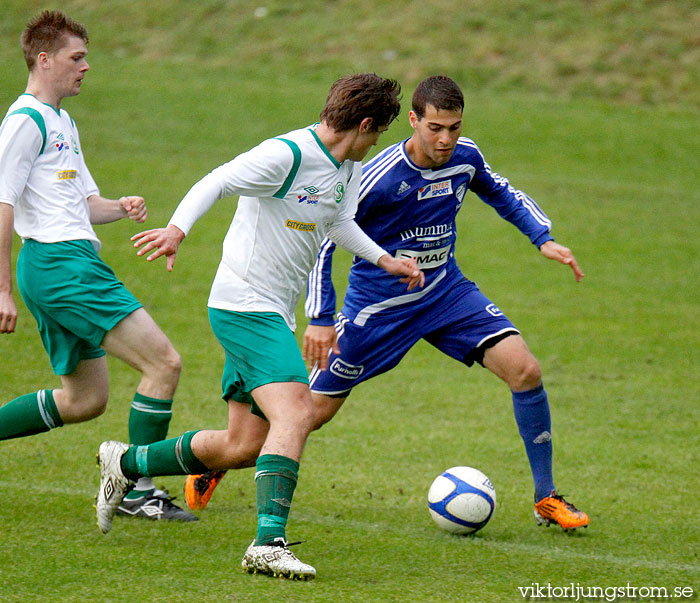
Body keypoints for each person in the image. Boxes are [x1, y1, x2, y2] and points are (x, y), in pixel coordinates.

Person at [187, 75, 590, 532]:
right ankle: (222, 456)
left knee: (526, 370)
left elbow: (501, 192)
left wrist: (543, 238)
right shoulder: (377, 176)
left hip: (445, 293)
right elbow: (324, 240)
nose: (445, 139)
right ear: (413, 121)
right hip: (377, 309)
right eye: (435, 128)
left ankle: (546, 497)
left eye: (454, 128)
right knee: (305, 415)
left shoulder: (465, 157)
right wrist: (320, 316)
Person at [95, 73, 424, 580]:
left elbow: (337, 221)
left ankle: (125, 463)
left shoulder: (346, 166)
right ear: (363, 125)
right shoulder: (287, 155)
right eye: (378, 133)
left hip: (272, 310)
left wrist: (385, 260)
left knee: (243, 444)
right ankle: (267, 544)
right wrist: (178, 230)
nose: (377, 143)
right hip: (244, 305)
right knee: (296, 412)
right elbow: (217, 180)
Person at [0, 10, 196, 523]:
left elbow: (82, 205)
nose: (86, 67)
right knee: (164, 363)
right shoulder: (24, 122)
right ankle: (138, 489)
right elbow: (2, 205)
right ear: (44, 60)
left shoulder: (61, 121)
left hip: (67, 261)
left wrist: (120, 207)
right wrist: (2, 289)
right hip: (61, 267)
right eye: (76, 57)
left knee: (84, 399)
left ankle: (134, 485)